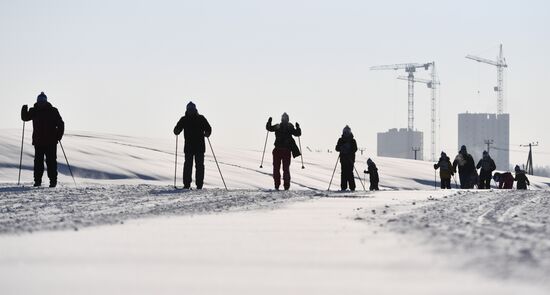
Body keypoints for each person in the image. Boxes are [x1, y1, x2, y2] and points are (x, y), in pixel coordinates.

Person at [21, 92, 65, 187]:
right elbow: (25, 118)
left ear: (46, 101)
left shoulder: (53, 111)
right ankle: (37, 181)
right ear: (37, 100)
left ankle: (53, 181)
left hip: (51, 142)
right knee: (38, 163)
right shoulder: (34, 110)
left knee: (51, 162)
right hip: (38, 142)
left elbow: (61, 124)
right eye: (39, 100)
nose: (41, 102)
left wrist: (58, 136)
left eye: (42, 100)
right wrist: (24, 110)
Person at [173, 101, 212, 189]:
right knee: (190, 165)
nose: (191, 111)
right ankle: (188, 185)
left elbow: (208, 128)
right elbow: (177, 128)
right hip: (192, 147)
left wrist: (208, 132)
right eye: (190, 109)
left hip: (197, 147)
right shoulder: (185, 119)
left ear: (194, 109)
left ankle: (198, 185)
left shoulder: (199, 118)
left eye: (192, 109)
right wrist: (176, 130)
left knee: (197, 166)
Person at [266, 113, 301, 190]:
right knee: (286, 169)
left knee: (276, 168)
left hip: (278, 150)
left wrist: (269, 122)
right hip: (286, 151)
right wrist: (298, 127)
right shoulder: (289, 127)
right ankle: (286, 186)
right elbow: (298, 134)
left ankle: (277, 185)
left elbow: (269, 128)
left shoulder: (278, 126)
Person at [335, 125, 358, 191]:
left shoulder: (353, 141)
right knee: (344, 173)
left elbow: (355, 149)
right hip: (343, 159)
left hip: (350, 159)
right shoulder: (341, 140)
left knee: (350, 173)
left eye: (347, 132)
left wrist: (349, 150)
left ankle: (352, 187)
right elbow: (337, 148)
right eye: (345, 132)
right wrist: (342, 148)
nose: (346, 133)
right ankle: (343, 187)